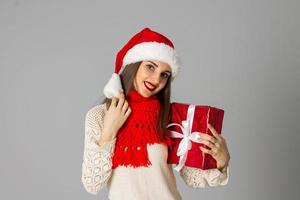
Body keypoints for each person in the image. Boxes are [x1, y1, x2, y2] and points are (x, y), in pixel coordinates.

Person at [81, 27, 230, 200]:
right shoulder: (99, 116)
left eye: (164, 75)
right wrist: (109, 131)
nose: (156, 79)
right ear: (134, 65)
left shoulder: (171, 116)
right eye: (150, 67)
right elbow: (92, 184)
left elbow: (192, 177)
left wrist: (221, 161)